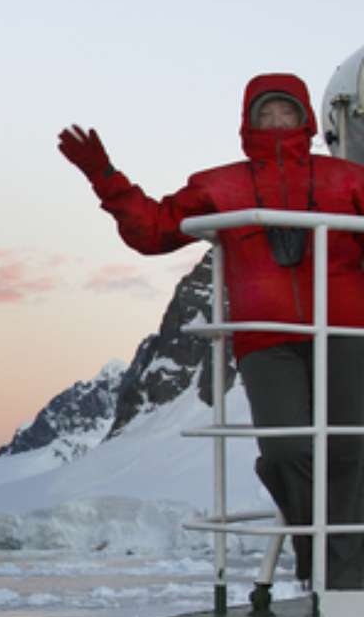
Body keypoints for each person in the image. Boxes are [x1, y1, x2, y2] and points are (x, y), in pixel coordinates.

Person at [59, 73, 364, 590]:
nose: (274, 122)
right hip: (264, 339)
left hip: (346, 332)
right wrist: (104, 176)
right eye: (263, 113)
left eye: (284, 112)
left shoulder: (347, 179)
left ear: (306, 119)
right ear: (247, 122)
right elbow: (153, 230)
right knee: (288, 451)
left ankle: (346, 577)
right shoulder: (221, 185)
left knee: (351, 451)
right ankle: (316, 555)